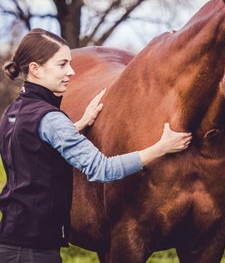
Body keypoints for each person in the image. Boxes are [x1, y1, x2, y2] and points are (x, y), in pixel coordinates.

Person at [0, 28, 192, 262]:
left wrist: (76, 126)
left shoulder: (13, 112)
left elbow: (35, 148)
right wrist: (160, 148)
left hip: (10, 241)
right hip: (34, 251)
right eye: (62, 65)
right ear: (35, 69)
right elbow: (102, 169)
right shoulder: (51, 118)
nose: (71, 72)